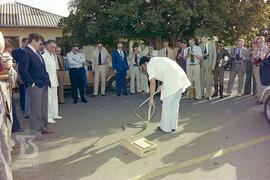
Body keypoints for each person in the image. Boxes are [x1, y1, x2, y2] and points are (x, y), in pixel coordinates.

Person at [140, 56, 191, 133]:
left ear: (145, 63)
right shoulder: (157, 60)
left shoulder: (150, 64)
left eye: (142, 67)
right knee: (174, 105)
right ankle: (173, 126)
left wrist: (151, 99)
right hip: (180, 79)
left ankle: (166, 128)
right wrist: (162, 86)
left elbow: (152, 83)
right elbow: (168, 71)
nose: (143, 69)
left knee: (167, 105)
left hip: (173, 81)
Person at [19, 33, 53, 140]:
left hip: (43, 84)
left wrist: (47, 80)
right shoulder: (26, 52)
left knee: (43, 108)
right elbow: (22, 70)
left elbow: (42, 68)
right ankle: (35, 132)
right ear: (33, 41)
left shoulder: (37, 53)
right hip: (35, 86)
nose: (41, 44)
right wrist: (31, 83)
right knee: (35, 109)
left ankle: (43, 128)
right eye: (40, 42)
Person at [0, 31, 14, 180]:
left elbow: (11, 82)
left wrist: (9, 68)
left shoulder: (3, 59)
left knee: (4, 149)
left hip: (4, 110)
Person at [42, 40, 62, 124]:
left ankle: (54, 114)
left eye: (55, 47)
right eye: (52, 47)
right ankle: (48, 117)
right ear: (47, 46)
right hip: (47, 81)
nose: (54, 49)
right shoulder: (43, 55)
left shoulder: (52, 55)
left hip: (54, 80)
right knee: (48, 100)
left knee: (54, 98)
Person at [199, 35, 217, 100]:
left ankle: (208, 95)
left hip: (209, 64)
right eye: (201, 39)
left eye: (203, 39)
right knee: (201, 79)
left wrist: (213, 65)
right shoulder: (200, 45)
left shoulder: (212, 45)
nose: (202, 41)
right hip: (202, 64)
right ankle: (201, 94)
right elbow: (199, 55)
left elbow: (214, 56)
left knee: (209, 80)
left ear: (207, 38)